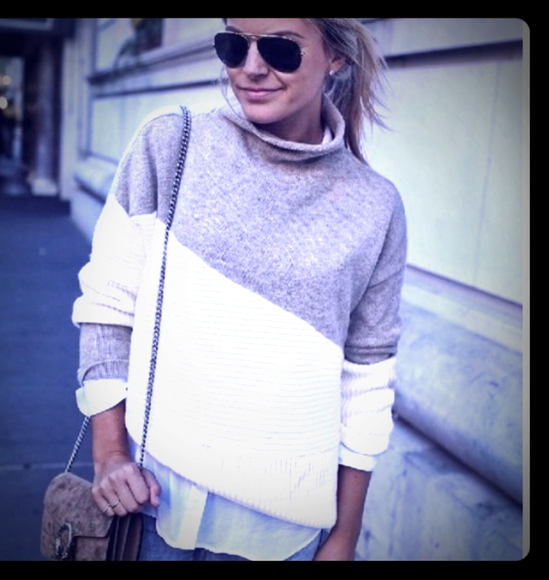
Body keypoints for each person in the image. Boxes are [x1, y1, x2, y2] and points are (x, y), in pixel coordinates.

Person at [72, 18, 407, 561]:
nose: (251, 68)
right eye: (233, 45)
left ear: (336, 57)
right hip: (147, 508)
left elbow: (366, 379)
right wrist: (109, 456)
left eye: (280, 49)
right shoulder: (171, 143)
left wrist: (344, 536)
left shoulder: (376, 206)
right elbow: (108, 308)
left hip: (282, 537)